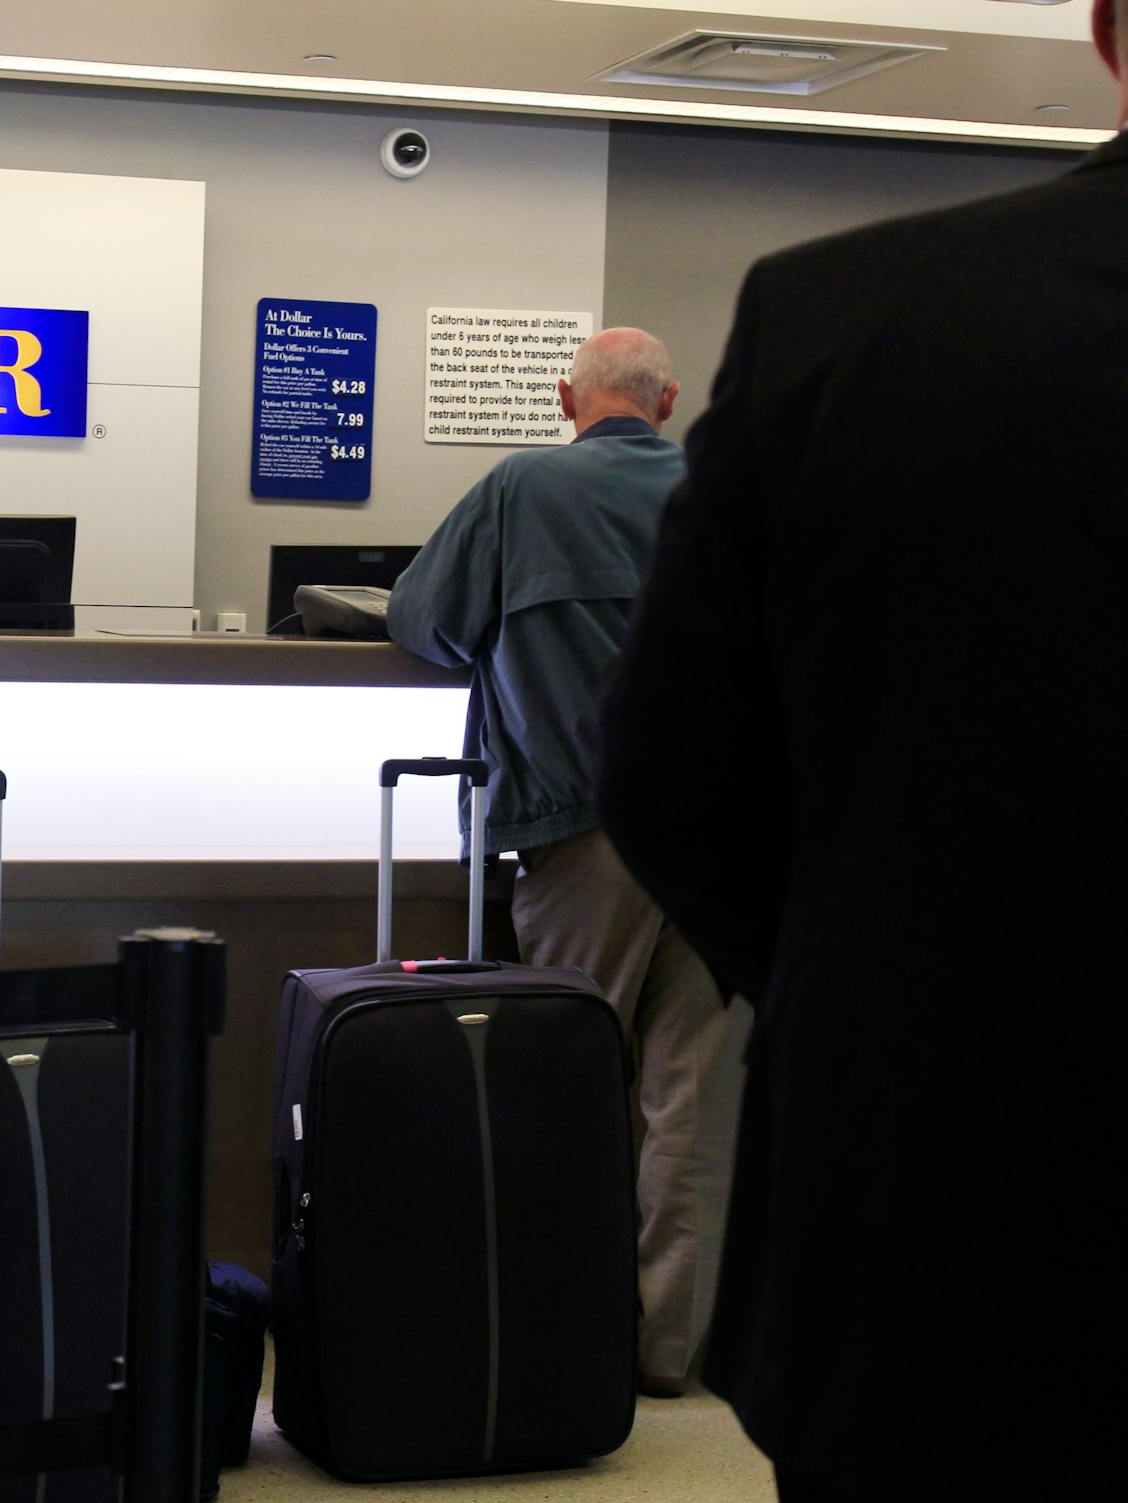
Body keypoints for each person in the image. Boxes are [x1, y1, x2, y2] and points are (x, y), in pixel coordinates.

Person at [597, 3, 1128, 1494]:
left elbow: (663, 763)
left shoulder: (852, 315)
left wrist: (874, 964)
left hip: (943, 1213)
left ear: (1102, 34)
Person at [388, 327, 745, 1397]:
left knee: (573, 1082)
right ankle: (665, 1352)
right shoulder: (727, 489)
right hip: (727, 841)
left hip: (586, 831)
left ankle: (569, 1331)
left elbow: (423, 621)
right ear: (670, 401)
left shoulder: (521, 489)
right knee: (686, 1097)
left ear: (563, 397)